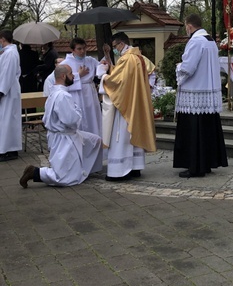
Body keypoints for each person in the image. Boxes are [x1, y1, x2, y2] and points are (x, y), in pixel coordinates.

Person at [19, 64, 103, 188]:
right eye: (70, 74)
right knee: (64, 178)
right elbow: (71, 120)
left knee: (95, 141)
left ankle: (82, 169)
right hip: (64, 137)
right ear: (63, 76)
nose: (73, 76)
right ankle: (36, 172)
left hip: (67, 134)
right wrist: (78, 112)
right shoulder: (62, 96)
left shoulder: (56, 92)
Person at [173, 13, 228, 178]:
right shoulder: (210, 41)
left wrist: (178, 67)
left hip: (195, 93)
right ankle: (207, 163)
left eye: (186, 27)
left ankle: (195, 167)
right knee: (206, 130)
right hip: (207, 93)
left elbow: (188, 68)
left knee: (194, 131)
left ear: (189, 26)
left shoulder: (195, 42)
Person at [99, 32, 156, 181]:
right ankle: (135, 168)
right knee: (133, 132)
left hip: (125, 103)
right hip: (137, 102)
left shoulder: (126, 59)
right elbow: (150, 74)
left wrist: (103, 76)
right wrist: (111, 64)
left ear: (121, 44)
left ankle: (119, 171)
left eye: (115, 46)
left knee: (121, 136)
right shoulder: (138, 57)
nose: (115, 49)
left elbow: (115, 81)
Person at [62, 38, 102, 137]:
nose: (82, 51)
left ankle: (95, 139)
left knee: (92, 117)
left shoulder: (90, 60)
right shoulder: (65, 64)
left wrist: (107, 56)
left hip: (90, 92)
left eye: (84, 48)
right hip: (76, 95)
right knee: (81, 118)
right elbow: (62, 82)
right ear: (72, 50)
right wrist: (78, 75)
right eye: (79, 49)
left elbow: (103, 68)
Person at [0, 30, 22, 162]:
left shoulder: (10, 53)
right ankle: (8, 148)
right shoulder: (7, 52)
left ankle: (7, 149)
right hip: (8, 89)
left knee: (7, 121)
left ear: (3, 39)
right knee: (6, 121)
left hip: (7, 90)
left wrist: (1, 90)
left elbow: (7, 73)